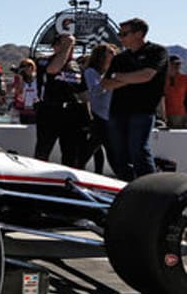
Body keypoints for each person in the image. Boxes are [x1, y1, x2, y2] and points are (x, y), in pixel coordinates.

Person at [102, 17, 168, 180]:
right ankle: (125, 187)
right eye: (119, 33)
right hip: (117, 111)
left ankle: (149, 189)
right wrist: (132, 78)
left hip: (143, 111)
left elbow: (147, 76)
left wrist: (119, 77)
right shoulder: (119, 58)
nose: (120, 37)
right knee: (118, 153)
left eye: (124, 34)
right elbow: (106, 84)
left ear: (139, 34)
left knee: (138, 150)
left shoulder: (157, 52)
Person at [33, 33, 90, 167]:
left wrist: (89, 116)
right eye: (66, 44)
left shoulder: (76, 66)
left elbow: (83, 93)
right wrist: (66, 46)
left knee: (71, 153)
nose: (70, 48)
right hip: (50, 110)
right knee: (43, 151)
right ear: (55, 46)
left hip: (72, 113)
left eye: (72, 45)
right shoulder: (43, 61)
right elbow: (53, 69)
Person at [81, 43, 117, 174]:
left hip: (110, 115)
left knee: (96, 147)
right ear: (102, 56)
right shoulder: (91, 72)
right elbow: (95, 91)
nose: (114, 55)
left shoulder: (114, 73)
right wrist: (108, 79)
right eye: (111, 53)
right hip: (99, 115)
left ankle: (81, 168)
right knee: (101, 148)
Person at [10, 58, 39, 124]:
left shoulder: (38, 78)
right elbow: (18, 92)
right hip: (22, 110)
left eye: (30, 65)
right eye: (24, 66)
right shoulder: (18, 78)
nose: (28, 68)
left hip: (35, 109)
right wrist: (21, 78)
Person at [163, 55, 187, 128]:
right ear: (168, 65)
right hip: (164, 115)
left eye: (179, 64)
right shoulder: (161, 79)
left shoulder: (184, 79)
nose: (177, 66)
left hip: (180, 114)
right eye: (175, 64)